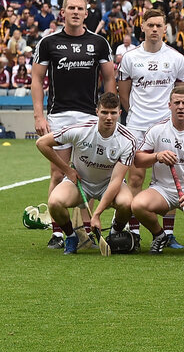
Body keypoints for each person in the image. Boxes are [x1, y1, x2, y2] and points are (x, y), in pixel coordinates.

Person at [31, 0, 116, 249]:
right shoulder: (48, 42)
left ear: (86, 13)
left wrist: (110, 109)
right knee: (58, 171)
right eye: (71, 8)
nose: (76, 12)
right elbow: (37, 79)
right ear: (63, 12)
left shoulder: (99, 43)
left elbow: (109, 78)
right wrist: (38, 115)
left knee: (88, 172)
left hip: (91, 116)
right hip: (59, 115)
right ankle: (58, 232)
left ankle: (84, 229)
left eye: (80, 8)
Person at [35, 92, 137, 255]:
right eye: (104, 112)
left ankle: (114, 232)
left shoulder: (128, 140)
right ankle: (71, 236)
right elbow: (42, 143)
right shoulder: (81, 130)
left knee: (127, 203)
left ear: (120, 113)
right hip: (80, 182)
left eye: (113, 113)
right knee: (54, 202)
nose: (109, 117)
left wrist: (96, 214)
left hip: (108, 184)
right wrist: (67, 170)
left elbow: (116, 181)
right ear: (97, 112)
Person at [117, 8, 184, 244]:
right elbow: (124, 95)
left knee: (169, 178)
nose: (155, 29)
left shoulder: (176, 58)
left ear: (165, 28)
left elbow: (181, 93)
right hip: (137, 125)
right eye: (151, 25)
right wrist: (137, 114)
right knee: (136, 178)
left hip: (166, 126)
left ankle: (167, 233)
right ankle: (134, 231)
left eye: (159, 25)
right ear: (143, 27)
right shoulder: (130, 58)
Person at [132, 86, 184, 253]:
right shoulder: (157, 130)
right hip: (162, 190)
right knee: (137, 205)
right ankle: (159, 235)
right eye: (176, 102)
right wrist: (157, 156)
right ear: (169, 105)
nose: (180, 106)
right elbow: (138, 160)